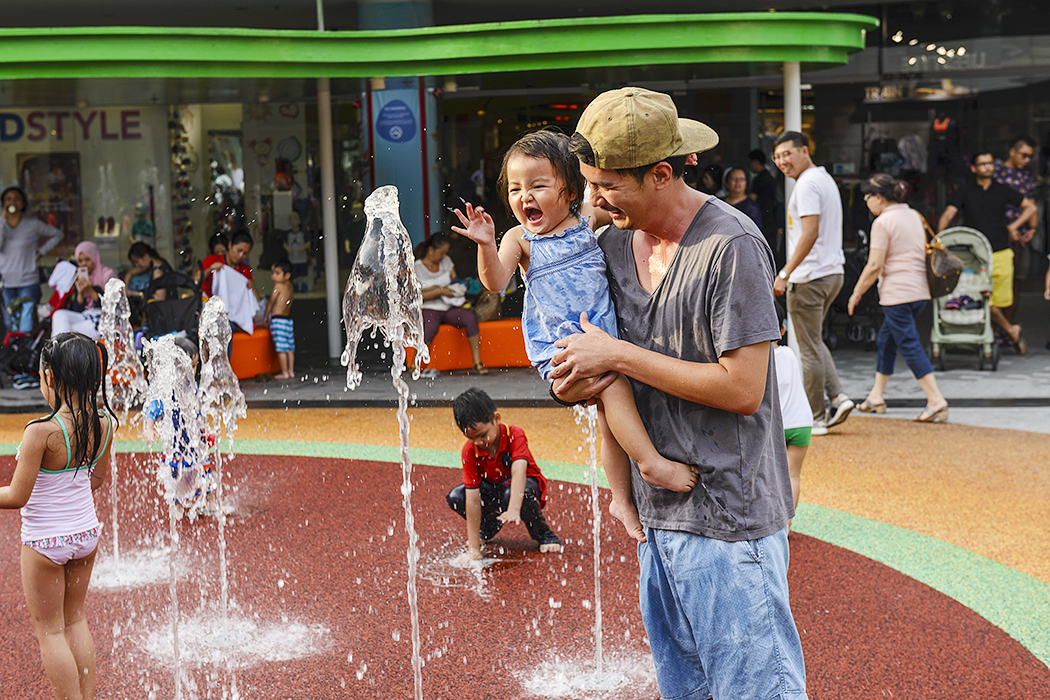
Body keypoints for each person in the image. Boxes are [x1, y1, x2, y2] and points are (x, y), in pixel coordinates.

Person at [555, 86, 806, 700]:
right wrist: (574, 377)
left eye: (606, 184)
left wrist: (616, 355)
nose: (591, 200)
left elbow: (744, 388)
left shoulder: (731, 245)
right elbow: (593, 371)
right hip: (656, 517)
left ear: (661, 174)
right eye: (587, 183)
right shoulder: (611, 243)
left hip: (729, 518)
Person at [452, 128, 698, 542]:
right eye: (515, 189)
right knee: (616, 388)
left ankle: (620, 498)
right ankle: (651, 463)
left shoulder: (585, 216)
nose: (524, 197)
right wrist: (485, 244)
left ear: (568, 190)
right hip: (563, 348)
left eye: (537, 185)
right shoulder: (521, 239)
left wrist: (669, 179)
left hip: (599, 341)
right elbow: (494, 281)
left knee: (608, 417)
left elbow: (624, 210)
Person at [0, 332, 117, 700]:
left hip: (45, 542)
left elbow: (17, 496)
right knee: (75, 620)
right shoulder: (105, 423)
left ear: (50, 378)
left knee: (50, 632)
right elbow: (95, 482)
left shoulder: (42, 431)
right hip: (86, 535)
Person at [849, 174, 950, 423]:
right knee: (887, 340)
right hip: (919, 292)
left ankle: (936, 400)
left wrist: (856, 293)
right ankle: (876, 396)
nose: (866, 201)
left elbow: (874, 265)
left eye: (868, 196)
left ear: (879, 198)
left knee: (909, 344)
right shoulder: (913, 215)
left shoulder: (883, 222)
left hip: (897, 293)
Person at [773, 131, 854, 435]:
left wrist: (785, 273)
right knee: (814, 340)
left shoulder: (806, 184)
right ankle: (839, 396)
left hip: (809, 276)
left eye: (787, 154)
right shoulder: (823, 179)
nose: (783, 161)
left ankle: (816, 416)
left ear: (804, 151)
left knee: (807, 348)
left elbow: (810, 232)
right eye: (777, 157)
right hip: (832, 272)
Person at [937, 150, 1037, 354]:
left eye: (990, 163)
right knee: (980, 299)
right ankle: (1010, 331)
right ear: (973, 169)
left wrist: (1014, 226)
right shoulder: (965, 191)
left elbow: (1030, 207)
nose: (988, 167)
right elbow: (948, 214)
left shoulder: (1002, 190)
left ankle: (993, 336)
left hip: (1001, 252)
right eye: (983, 164)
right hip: (975, 255)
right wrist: (938, 241)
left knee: (1002, 301)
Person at [445, 387, 562, 560]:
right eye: (471, 438)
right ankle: (489, 525)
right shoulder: (470, 450)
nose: (478, 442)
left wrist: (514, 508)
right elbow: (472, 497)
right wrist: (474, 547)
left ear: (496, 418)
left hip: (524, 485)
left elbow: (519, 471)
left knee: (514, 493)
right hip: (493, 488)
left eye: (483, 435)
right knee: (457, 497)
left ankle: (544, 534)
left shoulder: (515, 434)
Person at [144, 336, 220, 517]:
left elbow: (198, 411)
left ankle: (210, 501)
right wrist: (149, 428)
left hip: (195, 438)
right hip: (177, 442)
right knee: (176, 473)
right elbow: (154, 408)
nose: (190, 372)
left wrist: (206, 430)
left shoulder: (191, 385)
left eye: (194, 367)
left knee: (205, 466)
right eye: (185, 368)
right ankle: (177, 506)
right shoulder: (167, 390)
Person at [413, 233, 487, 375]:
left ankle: (477, 362)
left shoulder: (446, 262)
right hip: (430, 306)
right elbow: (418, 297)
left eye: (445, 253)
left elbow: (455, 282)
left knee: (470, 318)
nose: (443, 256)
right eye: (441, 253)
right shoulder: (418, 267)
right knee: (429, 326)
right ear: (430, 250)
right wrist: (440, 291)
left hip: (449, 306)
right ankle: (415, 364)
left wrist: (458, 288)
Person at [0, 185, 63, 333]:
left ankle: (27, 354)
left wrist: (41, 252)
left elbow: (58, 234)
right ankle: (14, 354)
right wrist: (3, 220)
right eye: (8, 199)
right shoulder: (1, 223)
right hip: (6, 283)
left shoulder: (32, 224)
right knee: (10, 323)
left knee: (26, 324)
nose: (13, 202)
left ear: (23, 203)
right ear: (3, 203)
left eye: (17, 199)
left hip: (28, 281)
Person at [993, 137, 1039, 334]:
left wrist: (1032, 228)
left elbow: (1032, 205)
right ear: (1012, 151)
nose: (1027, 160)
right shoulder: (996, 174)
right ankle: (996, 328)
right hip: (1000, 236)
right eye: (1024, 155)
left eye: (1030, 157)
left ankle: (1007, 329)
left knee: (1015, 283)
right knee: (995, 284)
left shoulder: (1028, 177)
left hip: (1020, 238)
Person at [774, 301, 811, 519]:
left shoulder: (761, 360)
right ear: (782, 331)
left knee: (772, 477)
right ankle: (788, 523)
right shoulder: (789, 355)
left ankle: (773, 522)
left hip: (777, 425)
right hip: (801, 422)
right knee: (793, 475)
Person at [51, 241, 118, 340]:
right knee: (59, 315)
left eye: (87, 260)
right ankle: (61, 350)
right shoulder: (80, 277)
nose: (84, 264)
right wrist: (80, 292)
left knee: (65, 332)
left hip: (104, 320)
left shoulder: (107, 275)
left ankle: (59, 352)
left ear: (95, 258)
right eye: (80, 261)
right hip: (85, 317)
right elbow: (78, 310)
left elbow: (111, 306)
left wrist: (90, 290)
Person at [748, 148, 782, 265]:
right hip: (772, 218)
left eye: (751, 163)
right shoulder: (770, 178)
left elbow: (752, 200)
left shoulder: (759, 180)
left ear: (756, 163)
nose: (750, 167)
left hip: (762, 218)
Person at [200, 229, 254, 298]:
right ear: (230, 245)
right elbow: (195, 281)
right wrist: (209, 269)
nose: (241, 255)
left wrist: (251, 289)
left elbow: (253, 297)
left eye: (245, 253)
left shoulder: (245, 269)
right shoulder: (211, 260)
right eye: (239, 250)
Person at [266, 259, 295, 379]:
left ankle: (285, 372)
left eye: (277, 273)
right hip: (288, 320)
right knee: (290, 348)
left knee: (281, 347)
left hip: (278, 320)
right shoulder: (290, 287)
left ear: (287, 275)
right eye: (272, 273)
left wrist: (266, 316)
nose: (273, 276)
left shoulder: (278, 286)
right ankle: (291, 371)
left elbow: (271, 302)